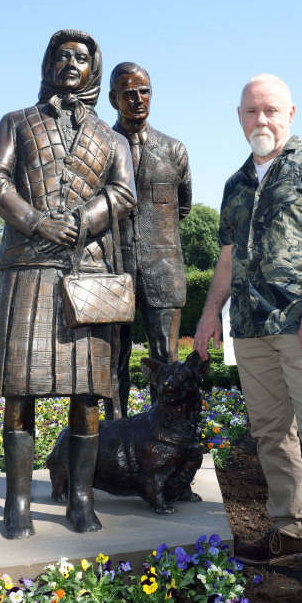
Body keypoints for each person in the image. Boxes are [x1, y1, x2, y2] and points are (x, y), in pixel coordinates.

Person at [193, 74, 302, 592]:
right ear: (239, 117)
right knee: (271, 433)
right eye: (251, 111)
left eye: (271, 110)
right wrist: (208, 316)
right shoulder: (234, 182)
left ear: (290, 113)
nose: (261, 119)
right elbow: (227, 257)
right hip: (248, 329)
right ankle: (288, 531)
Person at [0, 30, 135, 539]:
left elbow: (123, 193)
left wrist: (84, 219)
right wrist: (37, 221)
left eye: (81, 57)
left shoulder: (112, 138)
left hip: (87, 271)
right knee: (21, 389)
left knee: (88, 390)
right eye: (62, 55)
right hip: (27, 266)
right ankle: (17, 504)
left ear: (93, 68)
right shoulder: (16, 122)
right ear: (49, 64)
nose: (71, 63)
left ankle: (80, 500)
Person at [106, 62, 192, 418]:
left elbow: (182, 206)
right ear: (113, 98)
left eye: (143, 91)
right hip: (111, 270)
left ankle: (165, 433)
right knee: (110, 362)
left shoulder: (174, 150)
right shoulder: (101, 148)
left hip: (164, 269)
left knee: (166, 360)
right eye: (128, 93)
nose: (138, 99)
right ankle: (112, 434)